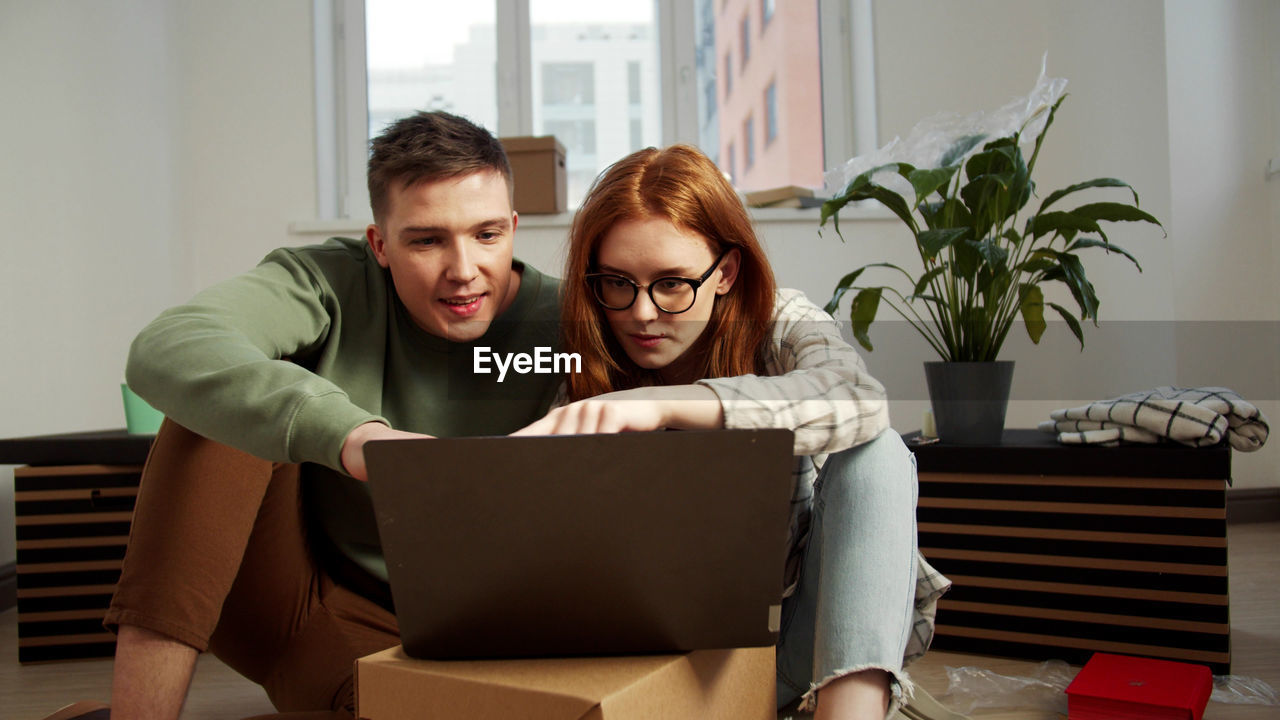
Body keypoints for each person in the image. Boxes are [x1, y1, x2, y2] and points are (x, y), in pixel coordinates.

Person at [44, 111, 563, 720]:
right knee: (219, 405)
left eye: (487, 234)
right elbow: (170, 346)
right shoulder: (330, 282)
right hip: (314, 606)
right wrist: (355, 436)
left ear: (513, 228)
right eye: (426, 240)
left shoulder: (563, 322)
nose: (463, 269)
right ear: (379, 246)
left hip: (481, 632)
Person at [515, 145, 950, 720]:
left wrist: (668, 404)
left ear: (725, 272)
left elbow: (858, 397)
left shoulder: (781, 320)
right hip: (644, 665)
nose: (641, 312)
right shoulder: (582, 355)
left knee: (876, 449)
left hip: (784, 649)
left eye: (671, 284)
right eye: (618, 282)